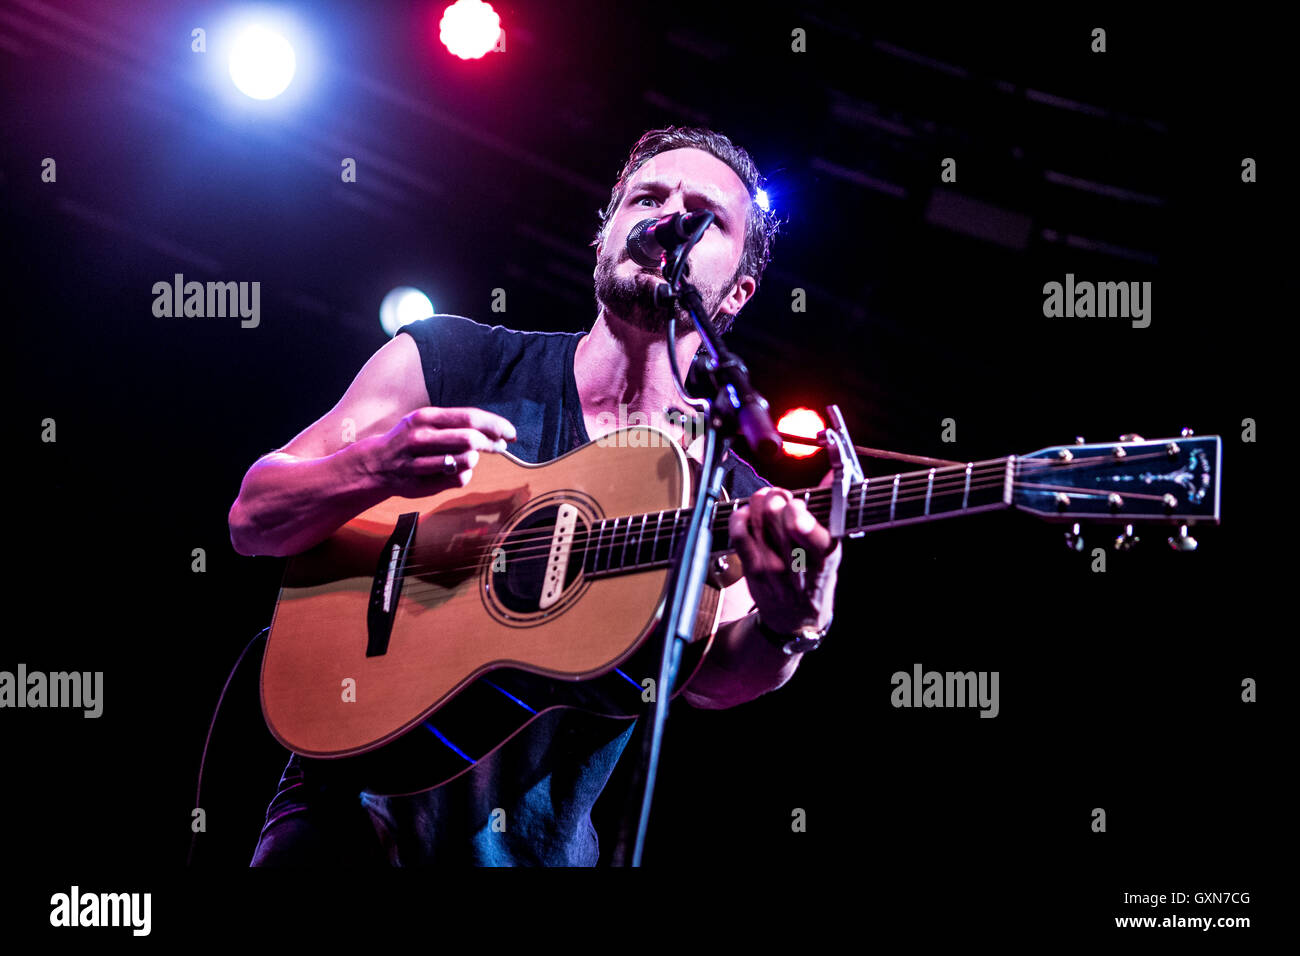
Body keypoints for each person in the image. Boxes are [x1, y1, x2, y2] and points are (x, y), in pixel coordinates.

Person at [229, 126, 843, 866]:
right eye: (646, 198)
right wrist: (373, 468)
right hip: (342, 819)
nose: (665, 218)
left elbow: (718, 680)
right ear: (605, 233)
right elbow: (254, 517)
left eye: (701, 215)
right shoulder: (452, 359)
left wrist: (792, 625)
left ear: (739, 290)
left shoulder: (733, 495)